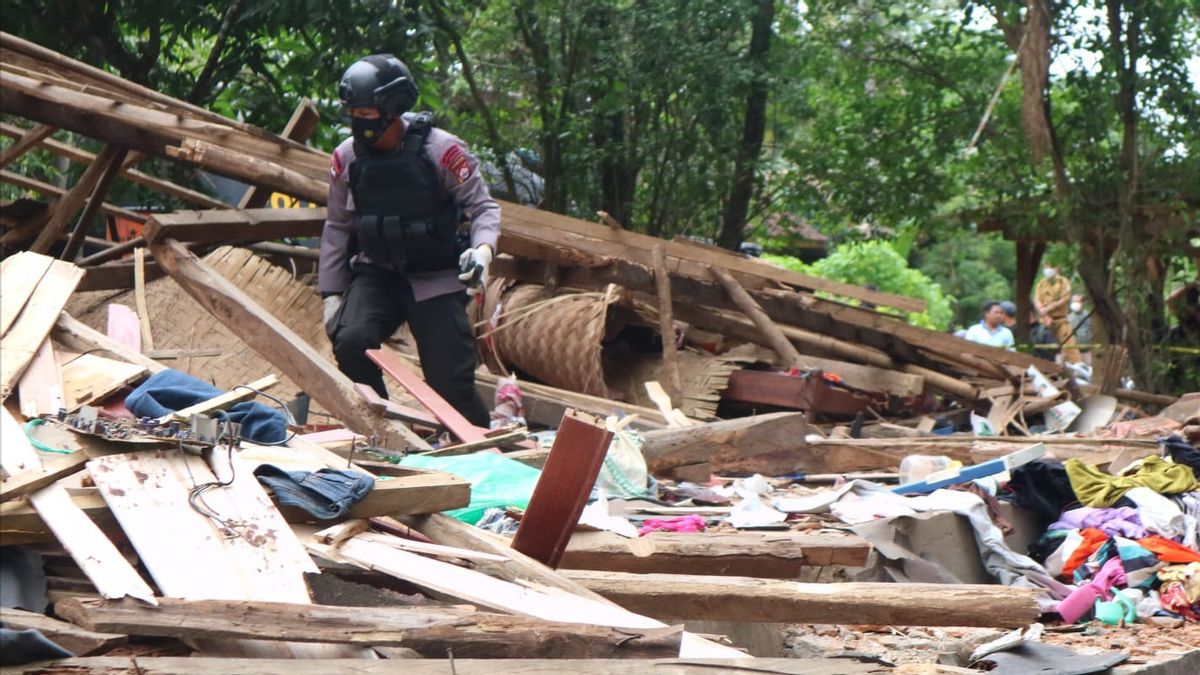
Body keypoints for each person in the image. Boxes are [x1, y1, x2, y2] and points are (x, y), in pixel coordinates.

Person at [318, 54, 498, 427]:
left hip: (436, 277)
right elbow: (337, 226)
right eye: (353, 113)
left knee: (450, 386)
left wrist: (482, 253)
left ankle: (483, 450)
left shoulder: (443, 152)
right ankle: (388, 429)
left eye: (366, 113)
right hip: (377, 272)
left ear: (392, 109)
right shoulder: (345, 158)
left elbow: (483, 210)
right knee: (350, 340)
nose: (358, 122)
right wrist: (331, 294)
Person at [1034, 264, 1081, 364]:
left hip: (1061, 320)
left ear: (1057, 268)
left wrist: (1048, 308)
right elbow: (1037, 300)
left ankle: (1078, 369)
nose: (1047, 270)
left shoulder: (1063, 282)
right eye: (1045, 267)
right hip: (1045, 323)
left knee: (1071, 349)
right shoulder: (1041, 284)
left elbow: (1065, 299)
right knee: (1042, 350)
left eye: (1050, 267)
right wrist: (1043, 312)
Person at [1067, 294, 1093, 364]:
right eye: (1073, 302)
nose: (1075, 304)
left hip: (1088, 351)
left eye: (1077, 302)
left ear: (1082, 303)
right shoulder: (1068, 318)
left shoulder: (1089, 315)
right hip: (1074, 352)